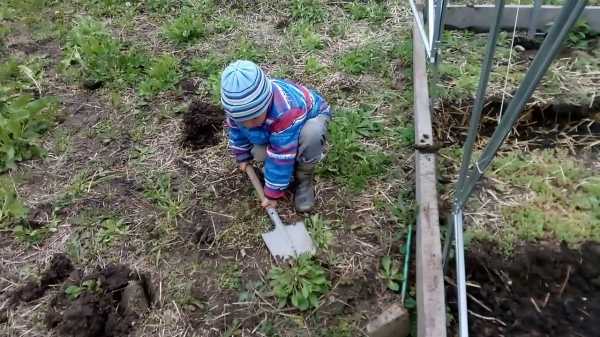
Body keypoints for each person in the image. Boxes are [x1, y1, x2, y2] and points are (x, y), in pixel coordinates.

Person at [221, 60, 331, 212]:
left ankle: (303, 177)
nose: (249, 124)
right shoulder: (237, 111)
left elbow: (282, 153)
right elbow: (237, 131)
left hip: (309, 118)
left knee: (312, 134)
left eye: (254, 118)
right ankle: (284, 173)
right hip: (276, 127)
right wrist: (242, 156)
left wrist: (272, 194)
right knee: (258, 153)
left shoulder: (286, 111)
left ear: (267, 102)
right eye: (243, 120)